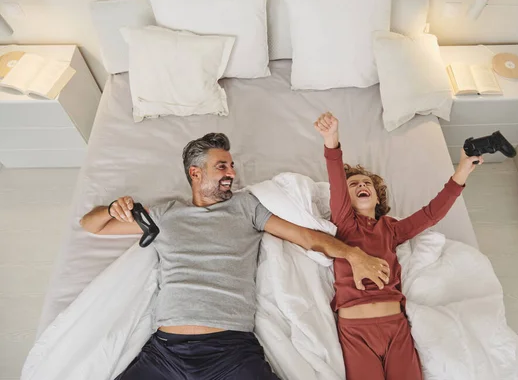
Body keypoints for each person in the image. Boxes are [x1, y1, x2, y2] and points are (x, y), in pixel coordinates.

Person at [79, 133, 390, 380]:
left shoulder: (246, 207)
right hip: (166, 353)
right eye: (222, 166)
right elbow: (92, 226)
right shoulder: (165, 213)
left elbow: (306, 237)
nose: (232, 173)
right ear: (195, 173)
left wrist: (353, 254)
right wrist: (110, 208)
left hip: (229, 352)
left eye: (231, 166)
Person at [313, 113, 483, 380]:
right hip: (356, 331)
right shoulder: (344, 223)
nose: (361, 185)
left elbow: (430, 214)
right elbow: (335, 179)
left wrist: (461, 171)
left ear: (378, 198)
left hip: (396, 327)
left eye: (366, 183)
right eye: (354, 185)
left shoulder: (391, 229)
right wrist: (331, 140)